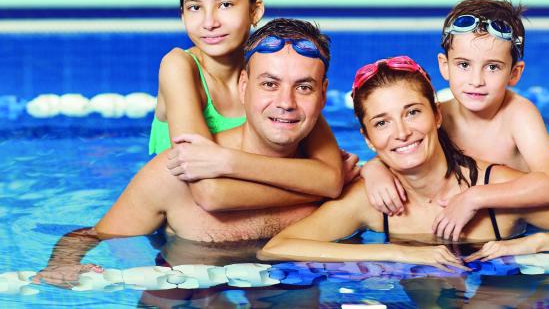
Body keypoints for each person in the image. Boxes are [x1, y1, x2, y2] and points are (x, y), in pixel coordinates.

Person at [34, 18, 351, 286]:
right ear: (243, 86)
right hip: (188, 291)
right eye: (269, 84)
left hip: (293, 291)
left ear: (323, 95)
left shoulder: (341, 173)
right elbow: (89, 236)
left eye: (304, 87)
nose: (286, 102)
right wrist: (61, 265)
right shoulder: (174, 174)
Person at [260, 56, 549, 269]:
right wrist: (397, 252)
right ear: (367, 138)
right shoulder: (371, 200)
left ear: (437, 116)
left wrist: (539, 244)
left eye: (412, 113)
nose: (401, 132)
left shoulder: (496, 188)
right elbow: (276, 249)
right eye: (382, 122)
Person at [150, 0, 352, 204]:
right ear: (182, 14)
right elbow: (209, 194)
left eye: (225, 4)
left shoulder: (274, 73)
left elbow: (329, 178)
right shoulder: (178, 66)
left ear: (255, 11)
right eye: (194, 8)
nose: (209, 22)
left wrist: (226, 161)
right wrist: (310, 188)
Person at [361, 0, 549, 241]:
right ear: (444, 65)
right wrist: (373, 169)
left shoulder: (518, 115)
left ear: (514, 73)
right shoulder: (439, 115)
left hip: (514, 232)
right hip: (451, 224)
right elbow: (400, 146)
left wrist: (475, 197)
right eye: (463, 65)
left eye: (492, 67)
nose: (476, 80)